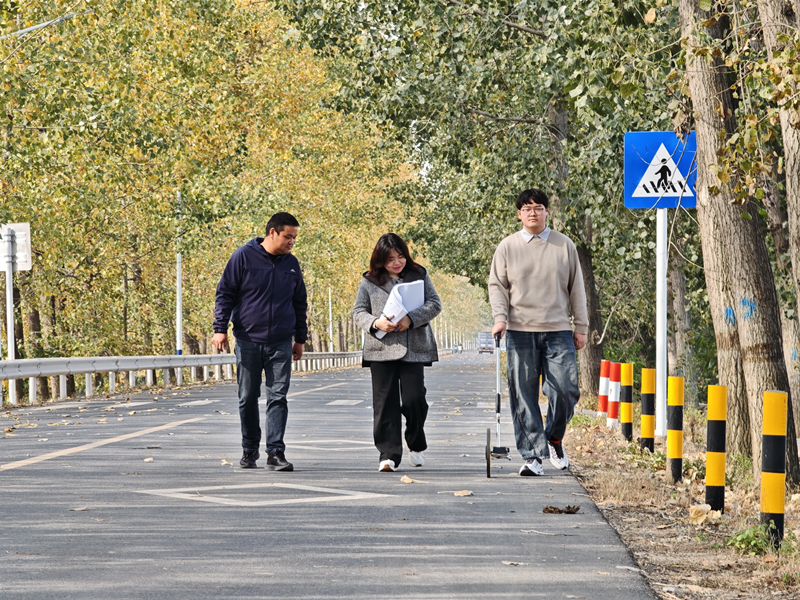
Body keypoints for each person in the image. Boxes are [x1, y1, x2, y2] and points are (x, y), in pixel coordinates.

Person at [488, 188, 588, 476]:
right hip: (520, 330)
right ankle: (532, 455)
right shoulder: (507, 247)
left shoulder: (564, 245)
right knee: (523, 393)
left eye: (538, 207)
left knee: (566, 389)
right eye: (527, 208)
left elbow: (576, 289)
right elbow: (497, 286)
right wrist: (500, 318)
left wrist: (580, 327)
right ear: (519, 214)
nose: (533, 212)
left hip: (558, 330)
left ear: (547, 212)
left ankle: (553, 438)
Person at [212, 212, 308, 471]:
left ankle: (275, 452)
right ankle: (249, 449)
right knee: (247, 396)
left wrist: (300, 338)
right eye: (287, 236)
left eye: (294, 238)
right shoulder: (243, 256)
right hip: (248, 339)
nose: (291, 242)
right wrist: (219, 329)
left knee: (278, 397)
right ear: (272, 232)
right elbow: (225, 294)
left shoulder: (291, 263)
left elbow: (299, 302)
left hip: (280, 342)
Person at [353, 233, 442, 472]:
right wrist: (375, 323)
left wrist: (411, 319)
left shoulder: (419, 275)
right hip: (380, 349)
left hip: (414, 348)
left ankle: (416, 443)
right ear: (380, 260)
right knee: (384, 404)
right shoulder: (369, 281)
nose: (397, 262)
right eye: (390, 258)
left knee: (415, 399)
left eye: (400, 256)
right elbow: (358, 311)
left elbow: (435, 304)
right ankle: (388, 454)